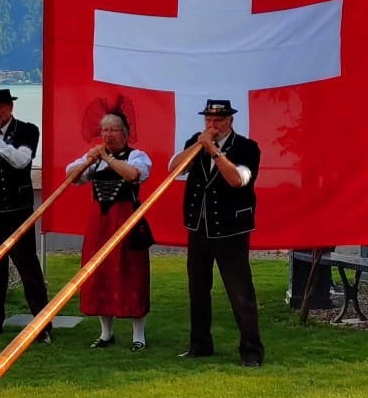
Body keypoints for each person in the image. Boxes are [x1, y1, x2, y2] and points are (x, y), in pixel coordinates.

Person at [171, 98, 264, 367]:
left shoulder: (247, 147)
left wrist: (213, 149)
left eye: (218, 120)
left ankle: (251, 352)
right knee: (198, 289)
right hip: (199, 227)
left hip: (231, 230)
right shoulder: (196, 142)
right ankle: (200, 345)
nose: (213, 125)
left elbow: (237, 180)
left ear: (230, 121)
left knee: (240, 292)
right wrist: (199, 145)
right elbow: (174, 169)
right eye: (208, 120)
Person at [0, 89, 51, 341]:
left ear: (10, 108)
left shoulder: (27, 130)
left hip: (16, 211)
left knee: (28, 269)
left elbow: (21, 161)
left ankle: (42, 327)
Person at [65, 113, 153, 351]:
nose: (107, 135)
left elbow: (133, 175)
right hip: (100, 223)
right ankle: (106, 333)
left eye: (113, 130)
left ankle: (138, 335)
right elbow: (72, 176)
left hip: (126, 221)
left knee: (132, 273)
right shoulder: (95, 158)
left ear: (125, 133)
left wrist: (107, 158)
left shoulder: (136, 156)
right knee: (99, 274)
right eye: (104, 130)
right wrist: (89, 161)